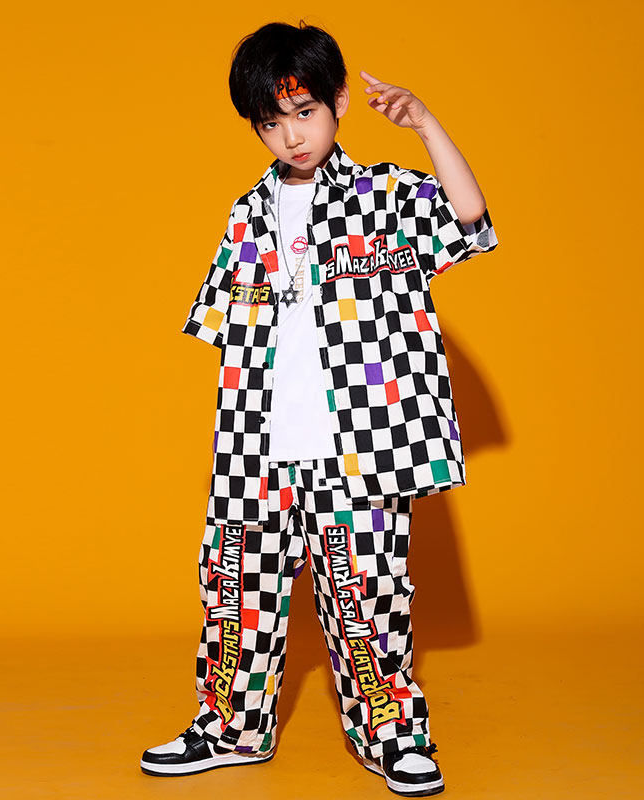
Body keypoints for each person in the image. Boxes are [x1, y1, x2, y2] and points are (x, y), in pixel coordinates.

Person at [140, 20, 498, 798]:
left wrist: (424, 122)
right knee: (234, 593)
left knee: (367, 599)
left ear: (338, 101)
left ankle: (392, 733)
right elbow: (227, 331)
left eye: (303, 112)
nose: (291, 136)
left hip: (356, 452)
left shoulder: (385, 197)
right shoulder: (246, 214)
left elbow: (470, 220)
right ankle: (230, 727)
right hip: (255, 452)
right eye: (271, 122)